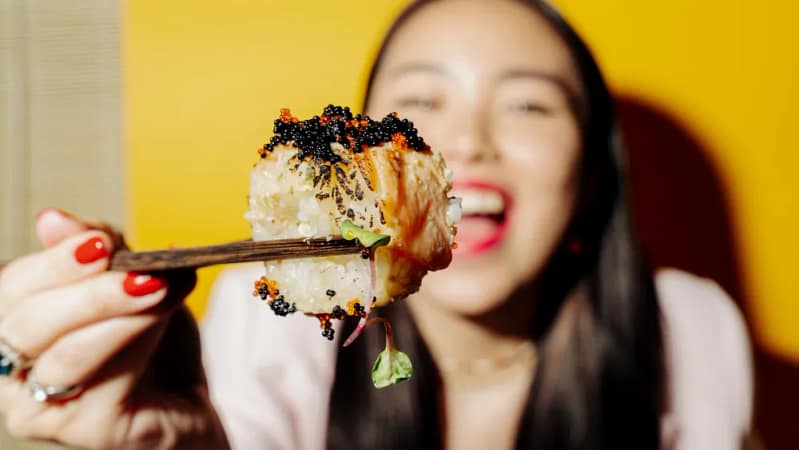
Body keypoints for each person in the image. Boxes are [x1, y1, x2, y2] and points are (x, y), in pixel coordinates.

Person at [0, 0, 753, 449]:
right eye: (421, 101)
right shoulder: (278, 326)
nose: (468, 142)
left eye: (527, 104)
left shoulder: (686, 328)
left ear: (590, 178)